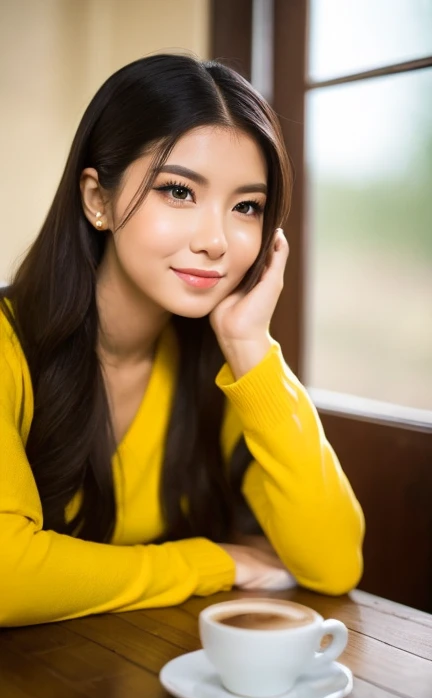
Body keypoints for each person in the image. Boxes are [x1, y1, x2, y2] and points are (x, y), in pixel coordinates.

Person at [0, 54, 364, 627]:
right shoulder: (6, 345)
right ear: (98, 199)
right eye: (178, 192)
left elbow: (335, 563)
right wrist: (210, 562)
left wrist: (250, 346)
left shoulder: (223, 368)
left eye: (247, 206)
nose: (217, 240)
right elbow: (7, 577)